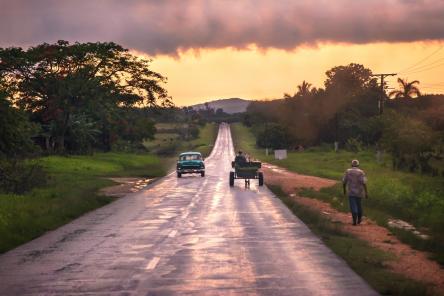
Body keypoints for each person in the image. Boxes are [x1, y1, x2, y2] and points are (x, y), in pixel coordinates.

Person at [342, 159, 368, 225]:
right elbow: (364, 183)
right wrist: (366, 192)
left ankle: (354, 221)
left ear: (351, 165)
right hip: (359, 192)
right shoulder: (361, 172)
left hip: (351, 192)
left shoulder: (348, 171)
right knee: (359, 206)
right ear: (358, 165)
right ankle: (359, 220)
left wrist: (344, 190)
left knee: (353, 206)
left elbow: (344, 181)